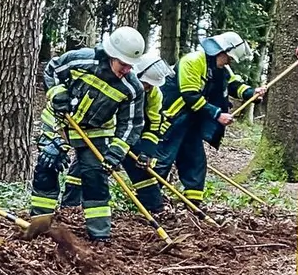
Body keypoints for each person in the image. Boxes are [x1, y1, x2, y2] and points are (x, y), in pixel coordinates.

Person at [31, 27, 146, 240]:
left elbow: (131, 123)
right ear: (111, 55)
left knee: (95, 177)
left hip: (95, 132)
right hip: (59, 123)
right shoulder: (81, 60)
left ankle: (99, 234)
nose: (127, 70)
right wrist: (58, 93)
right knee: (47, 165)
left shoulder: (132, 88)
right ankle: (40, 223)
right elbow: (52, 70)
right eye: (123, 64)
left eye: (131, 66)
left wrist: (115, 152)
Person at [154, 31, 263, 208]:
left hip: (193, 120)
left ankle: (193, 204)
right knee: (163, 159)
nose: (230, 62)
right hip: (174, 118)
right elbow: (190, 95)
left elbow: (234, 86)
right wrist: (217, 114)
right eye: (229, 58)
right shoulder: (192, 61)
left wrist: (253, 93)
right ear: (222, 51)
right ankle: (150, 201)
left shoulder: (221, 68)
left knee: (195, 161)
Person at [122, 53, 173, 214]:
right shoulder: (120, 85)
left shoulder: (154, 94)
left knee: (142, 170)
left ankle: (155, 208)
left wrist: (147, 151)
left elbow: (154, 124)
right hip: (107, 133)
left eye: (151, 85)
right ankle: (71, 207)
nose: (148, 88)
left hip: (133, 136)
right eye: (146, 84)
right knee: (88, 168)